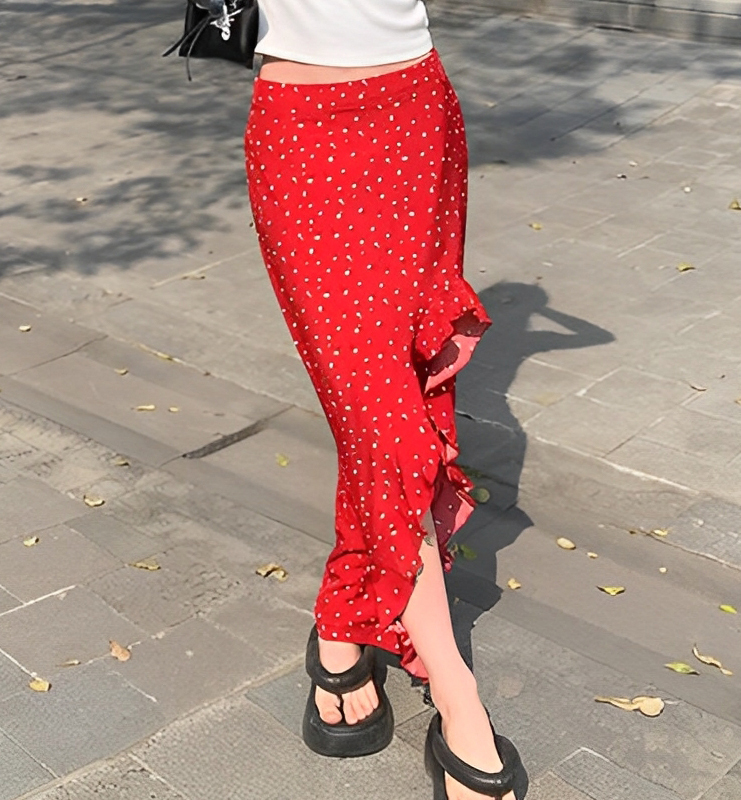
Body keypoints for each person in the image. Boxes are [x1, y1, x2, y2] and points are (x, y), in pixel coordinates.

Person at [244, 2, 525, 798]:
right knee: (390, 430)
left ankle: (343, 621)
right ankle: (457, 696)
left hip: (415, 113)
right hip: (303, 133)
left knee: (392, 409)